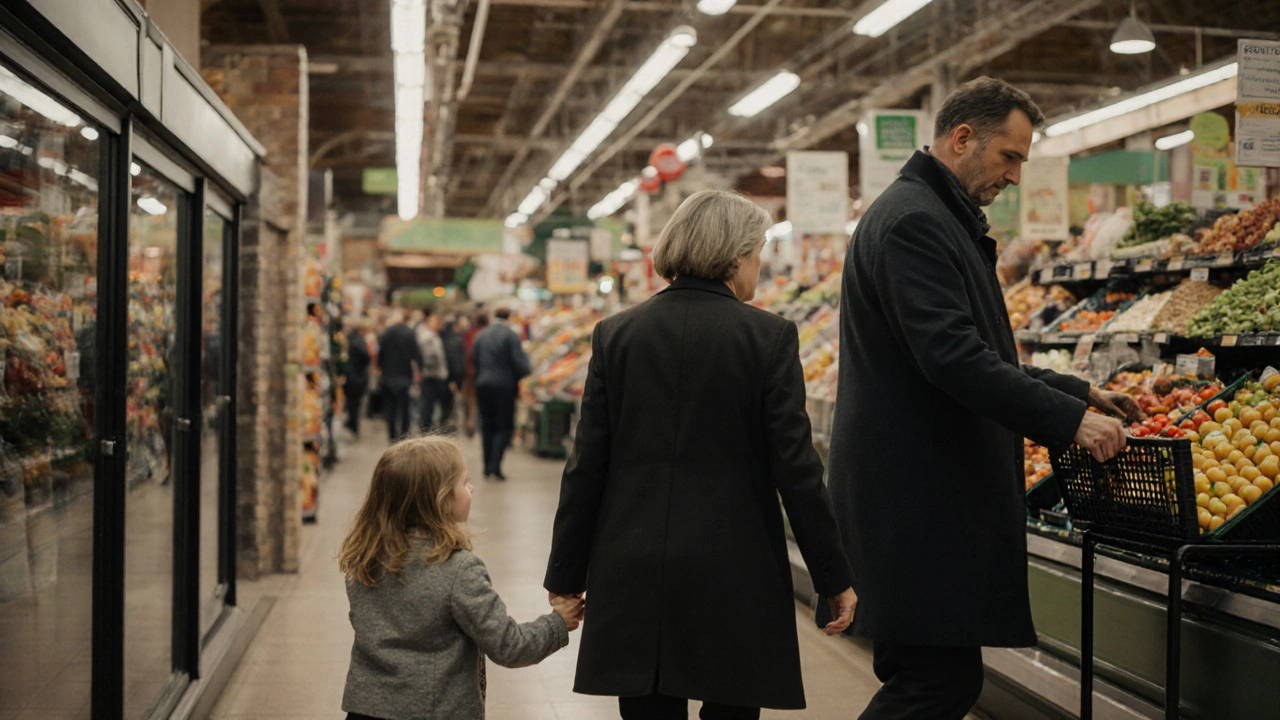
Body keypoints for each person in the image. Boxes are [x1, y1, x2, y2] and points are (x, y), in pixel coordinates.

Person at [825, 77, 1140, 720]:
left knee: (934, 678)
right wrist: (1067, 421)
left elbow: (977, 356)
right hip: (917, 499)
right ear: (963, 138)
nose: (1017, 177)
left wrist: (1076, 390)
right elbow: (951, 359)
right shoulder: (916, 221)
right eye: (1011, 157)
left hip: (918, 498)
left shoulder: (935, 215)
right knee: (934, 684)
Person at [544, 190, 858, 720]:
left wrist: (565, 576)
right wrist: (833, 576)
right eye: (758, 253)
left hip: (634, 563)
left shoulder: (616, 335)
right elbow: (797, 469)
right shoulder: (768, 338)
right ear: (735, 258)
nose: (759, 267)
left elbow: (586, 466)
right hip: (734, 568)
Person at [338, 436, 583, 720]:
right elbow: (508, 645)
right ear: (441, 500)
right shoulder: (457, 569)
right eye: (464, 482)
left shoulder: (363, 559)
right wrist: (557, 623)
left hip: (365, 710)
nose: (471, 487)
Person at [472, 308, 532, 480]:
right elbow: (520, 364)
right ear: (509, 318)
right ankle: (495, 465)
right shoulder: (511, 336)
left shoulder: (481, 335)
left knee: (487, 425)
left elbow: (474, 360)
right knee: (504, 426)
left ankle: (486, 465)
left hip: (483, 385)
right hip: (504, 386)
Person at [376, 311, 422, 441]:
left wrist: (380, 368)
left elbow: (381, 354)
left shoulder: (386, 333)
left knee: (391, 409)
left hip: (388, 376)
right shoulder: (409, 333)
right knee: (405, 409)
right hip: (404, 376)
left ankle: (392, 435)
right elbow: (416, 355)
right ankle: (404, 435)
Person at [415, 309, 451, 432]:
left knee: (430, 404)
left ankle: (428, 427)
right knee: (428, 405)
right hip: (431, 376)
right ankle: (426, 429)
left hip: (434, 375)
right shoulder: (427, 336)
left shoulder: (431, 335)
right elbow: (429, 356)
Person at [462, 311, 489, 438]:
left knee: (471, 399)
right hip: (483, 372)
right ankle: (479, 424)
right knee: (481, 399)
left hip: (470, 372)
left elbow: (466, 352)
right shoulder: (487, 335)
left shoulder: (469, 334)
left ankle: (470, 422)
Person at [344, 320, 372, 438]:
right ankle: (353, 426)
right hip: (357, 378)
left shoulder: (352, 340)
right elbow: (366, 357)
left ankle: (352, 424)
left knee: (353, 404)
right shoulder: (359, 342)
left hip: (353, 377)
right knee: (355, 405)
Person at [441, 315, 470, 427]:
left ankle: (447, 421)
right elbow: (457, 361)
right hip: (452, 376)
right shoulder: (456, 341)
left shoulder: (443, 339)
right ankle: (449, 422)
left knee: (447, 403)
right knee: (451, 402)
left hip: (445, 377)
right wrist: (456, 379)